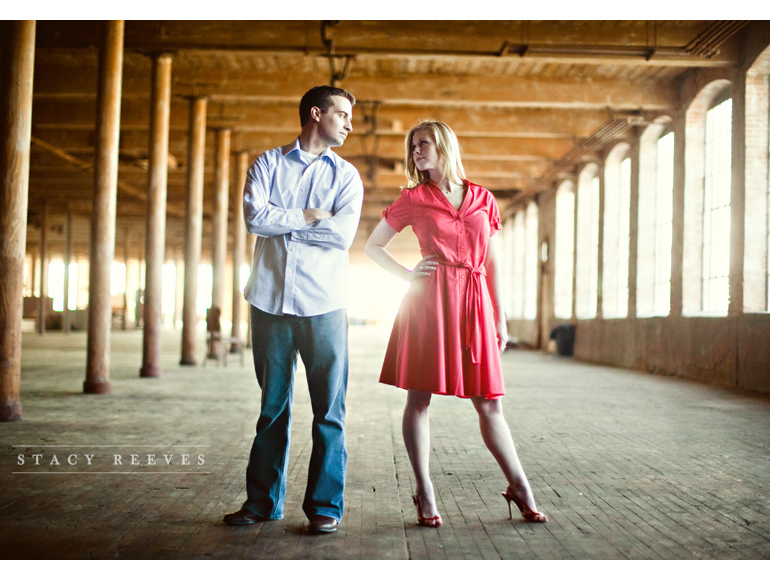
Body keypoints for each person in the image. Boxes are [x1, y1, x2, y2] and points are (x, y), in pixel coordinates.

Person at [364, 120, 548, 526]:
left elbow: (493, 261)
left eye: (423, 143)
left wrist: (500, 318)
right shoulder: (413, 199)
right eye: (412, 146)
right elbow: (372, 246)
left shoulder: (483, 198)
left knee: (489, 402)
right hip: (429, 302)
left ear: (444, 145)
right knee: (419, 398)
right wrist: (408, 274)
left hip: (474, 301)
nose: (415, 151)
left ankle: (520, 485)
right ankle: (424, 489)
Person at [223, 86, 364, 534]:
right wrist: (307, 215)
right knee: (272, 409)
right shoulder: (267, 164)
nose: (349, 124)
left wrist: (284, 221)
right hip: (269, 303)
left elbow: (340, 236)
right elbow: (253, 219)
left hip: (325, 305)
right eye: (341, 114)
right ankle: (262, 503)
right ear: (316, 114)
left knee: (329, 411)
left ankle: (325, 506)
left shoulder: (347, 177)